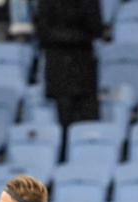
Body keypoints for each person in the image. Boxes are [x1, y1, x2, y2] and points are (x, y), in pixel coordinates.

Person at [35, 0, 102, 129]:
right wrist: (74, 36)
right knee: (64, 123)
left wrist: (64, 36)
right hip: (60, 72)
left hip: (83, 72)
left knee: (88, 127)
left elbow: (96, 28)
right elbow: (43, 32)